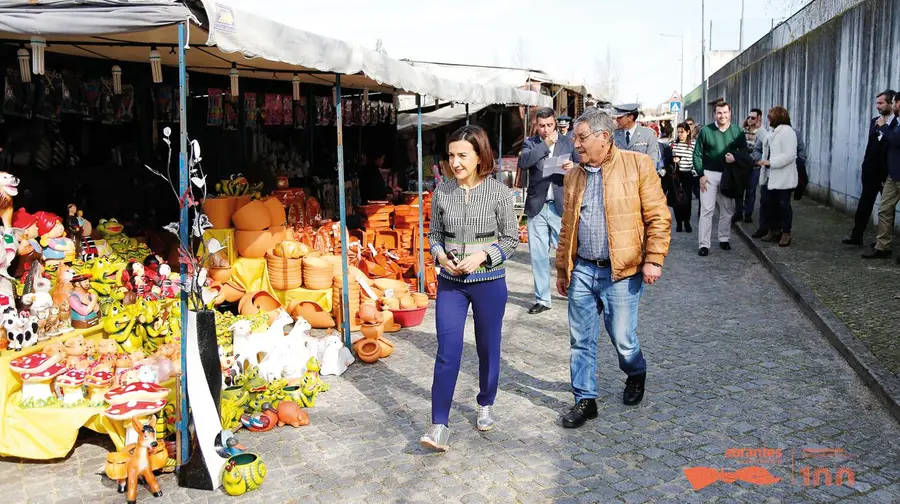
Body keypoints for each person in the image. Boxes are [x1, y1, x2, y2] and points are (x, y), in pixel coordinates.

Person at [555, 108, 671, 428]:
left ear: (604, 137)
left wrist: (654, 258)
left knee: (623, 338)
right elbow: (568, 227)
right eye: (574, 137)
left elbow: (658, 217)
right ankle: (585, 400)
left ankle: (635, 372)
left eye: (581, 137)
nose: (575, 144)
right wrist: (562, 269)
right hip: (583, 270)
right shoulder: (574, 176)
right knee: (581, 339)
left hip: (622, 272)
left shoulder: (638, 165)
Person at [420, 125, 519, 452]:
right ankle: (438, 425)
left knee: (488, 347)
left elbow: (511, 239)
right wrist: (439, 256)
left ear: (480, 156)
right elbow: (434, 235)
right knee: (447, 351)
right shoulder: (442, 193)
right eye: (451, 156)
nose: (455, 162)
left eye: (462, 155)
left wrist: (482, 256)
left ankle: (485, 402)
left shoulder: (499, 193)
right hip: (451, 285)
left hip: (489, 284)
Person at [518, 108, 578, 315]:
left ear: (555, 124)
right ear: (537, 125)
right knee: (538, 256)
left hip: (561, 205)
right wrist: (546, 144)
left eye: (549, 125)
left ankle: (574, 291)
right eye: (542, 126)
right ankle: (542, 298)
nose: (546, 129)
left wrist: (574, 166)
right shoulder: (531, 143)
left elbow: (583, 162)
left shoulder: (568, 142)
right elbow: (524, 162)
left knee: (568, 252)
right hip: (537, 205)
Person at [692, 101, 751, 256]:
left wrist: (735, 158)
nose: (722, 116)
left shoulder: (737, 131)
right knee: (707, 210)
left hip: (728, 175)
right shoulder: (706, 131)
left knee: (727, 209)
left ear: (730, 113)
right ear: (714, 114)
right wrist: (701, 174)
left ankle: (724, 239)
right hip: (709, 174)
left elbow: (745, 153)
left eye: (725, 112)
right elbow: (697, 154)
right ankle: (704, 244)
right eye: (719, 113)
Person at [844, 90, 896, 246]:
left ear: (890, 103)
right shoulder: (874, 120)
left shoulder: (896, 123)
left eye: (881, 103)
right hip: (870, 170)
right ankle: (856, 236)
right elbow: (871, 146)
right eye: (877, 103)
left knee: (887, 208)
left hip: (887, 172)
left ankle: (883, 241)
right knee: (865, 204)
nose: (877, 106)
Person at [757, 106, 799, 247]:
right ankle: (774, 230)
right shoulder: (774, 131)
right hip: (772, 175)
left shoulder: (788, 132)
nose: (768, 119)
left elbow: (790, 155)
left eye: (770, 116)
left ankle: (786, 232)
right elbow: (767, 141)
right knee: (771, 204)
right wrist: (758, 127)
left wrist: (771, 162)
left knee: (783, 205)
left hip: (783, 177)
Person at [867, 92, 900, 259]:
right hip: (893, 175)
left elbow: (896, 141)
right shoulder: (895, 122)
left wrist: (884, 127)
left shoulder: (891, 124)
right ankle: (883, 247)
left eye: (894, 102)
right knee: (884, 209)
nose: (893, 105)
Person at [736, 108, 769, 224]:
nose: (750, 119)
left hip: (755, 167)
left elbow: (766, 146)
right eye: (748, 117)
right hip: (741, 166)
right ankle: (738, 213)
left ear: (759, 118)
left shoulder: (763, 133)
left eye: (753, 118)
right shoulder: (742, 131)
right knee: (739, 190)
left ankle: (748, 214)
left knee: (751, 191)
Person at [670, 122, 696, 232]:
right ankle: (679, 222)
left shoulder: (693, 144)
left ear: (688, 132)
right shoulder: (673, 144)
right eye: (678, 132)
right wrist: (673, 160)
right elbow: (668, 159)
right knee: (677, 199)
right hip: (676, 174)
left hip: (688, 174)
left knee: (687, 199)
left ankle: (687, 222)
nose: (680, 134)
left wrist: (694, 172)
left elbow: (696, 158)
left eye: (682, 132)